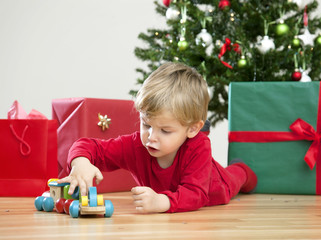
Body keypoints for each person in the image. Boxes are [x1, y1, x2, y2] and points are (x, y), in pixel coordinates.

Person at [58, 62, 257, 213]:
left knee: (235, 177)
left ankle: (242, 168)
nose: (151, 137)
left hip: (215, 187)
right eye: (146, 124)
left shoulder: (199, 146)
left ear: (192, 129)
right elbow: (87, 145)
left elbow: (196, 194)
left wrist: (161, 202)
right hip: (177, 190)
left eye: (165, 131)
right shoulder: (136, 145)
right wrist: (80, 162)